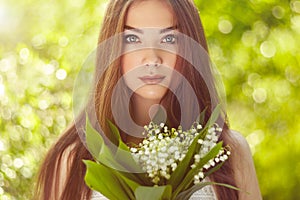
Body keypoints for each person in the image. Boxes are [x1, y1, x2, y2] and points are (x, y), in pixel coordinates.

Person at [34, 0, 262, 199]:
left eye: (169, 38)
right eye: (133, 38)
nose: (152, 57)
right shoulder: (72, 158)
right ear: (112, 47)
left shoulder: (229, 151)